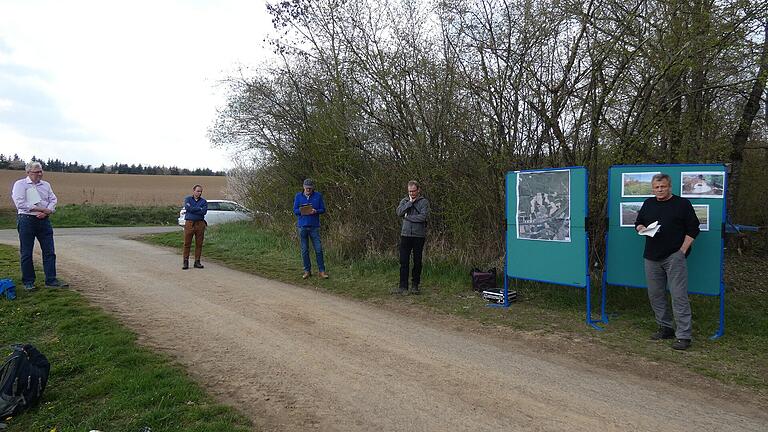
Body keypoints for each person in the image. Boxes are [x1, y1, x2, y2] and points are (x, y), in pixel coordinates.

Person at [635, 173, 700, 350]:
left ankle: (684, 336)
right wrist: (641, 228)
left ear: (669, 186)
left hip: (674, 256)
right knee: (655, 294)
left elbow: (694, 229)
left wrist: (682, 251)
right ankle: (665, 328)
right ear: (652, 188)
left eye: (663, 186)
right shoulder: (648, 203)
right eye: (656, 187)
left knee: (679, 296)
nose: (660, 190)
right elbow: (639, 223)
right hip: (651, 256)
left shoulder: (682, 204)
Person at [10, 162, 68, 290]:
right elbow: (20, 203)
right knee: (26, 252)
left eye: (41, 171)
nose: (40, 174)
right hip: (26, 220)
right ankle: (28, 282)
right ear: (28, 172)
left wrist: (48, 211)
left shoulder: (46, 185)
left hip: (44, 221)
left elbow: (53, 199)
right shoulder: (20, 185)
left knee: (49, 251)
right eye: (37, 172)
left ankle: (51, 280)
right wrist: (40, 209)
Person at [394, 180, 430, 295]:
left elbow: (423, 217)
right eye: (410, 191)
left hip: (418, 236)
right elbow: (399, 212)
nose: (412, 193)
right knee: (404, 261)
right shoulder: (404, 201)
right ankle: (403, 286)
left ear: (418, 190)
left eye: (414, 191)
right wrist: (409, 203)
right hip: (405, 235)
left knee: (417, 261)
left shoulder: (424, 202)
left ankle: (415, 285)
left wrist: (408, 218)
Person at [293, 178, 328, 279]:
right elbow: (295, 210)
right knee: (304, 250)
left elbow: (323, 209)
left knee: (318, 249)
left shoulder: (318, 196)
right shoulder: (298, 196)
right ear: (303, 187)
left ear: (313, 188)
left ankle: (321, 271)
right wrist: (303, 210)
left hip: (314, 226)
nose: (308, 190)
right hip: (302, 226)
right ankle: (307, 271)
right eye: (306, 188)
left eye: (310, 188)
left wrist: (315, 211)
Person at [182, 184, 208, 270]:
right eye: (198, 191)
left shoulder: (204, 201)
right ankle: (185, 261)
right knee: (187, 243)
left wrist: (195, 209)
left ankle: (197, 261)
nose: (199, 193)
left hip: (200, 224)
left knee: (199, 244)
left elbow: (204, 212)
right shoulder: (188, 199)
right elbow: (188, 208)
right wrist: (199, 209)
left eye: (200, 191)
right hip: (190, 223)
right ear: (193, 191)